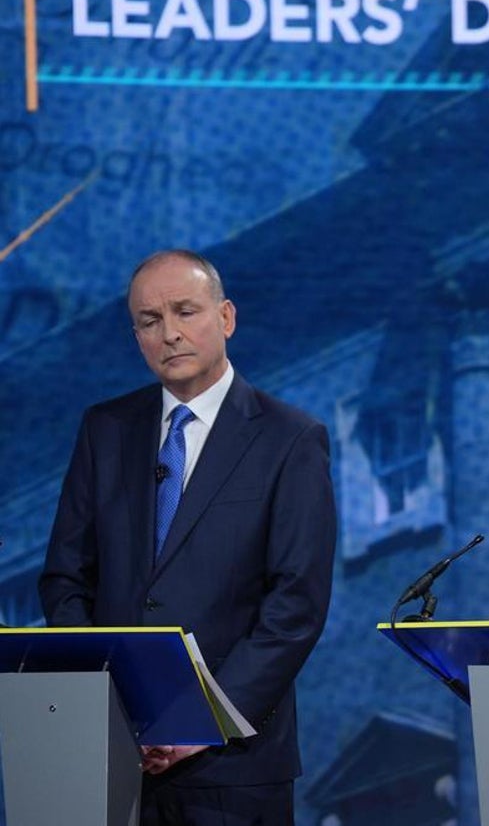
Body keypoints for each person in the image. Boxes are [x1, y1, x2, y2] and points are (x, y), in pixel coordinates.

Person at [39, 250, 337, 826]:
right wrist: (106, 697)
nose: (169, 333)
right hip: (114, 749)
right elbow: (65, 577)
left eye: (185, 311)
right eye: (150, 321)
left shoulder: (290, 439)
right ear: (136, 335)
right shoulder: (105, 429)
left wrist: (201, 721)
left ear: (225, 317)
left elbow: (296, 603)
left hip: (232, 765)